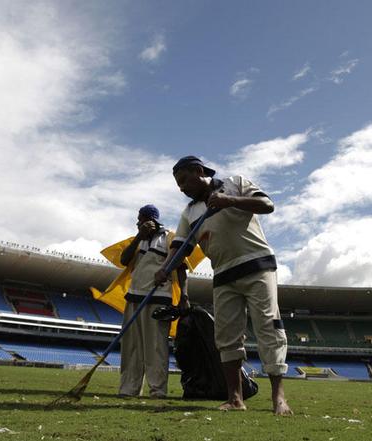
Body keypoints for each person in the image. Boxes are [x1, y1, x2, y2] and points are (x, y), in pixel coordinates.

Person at [155, 156, 292, 416]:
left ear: (199, 171)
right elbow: (180, 247)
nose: (181, 188)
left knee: (267, 325)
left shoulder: (234, 183)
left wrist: (229, 201)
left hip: (257, 265)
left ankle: (279, 398)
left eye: (184, 180)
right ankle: (235, 398)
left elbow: (267, 204)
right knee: (227, 336)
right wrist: (165, 269)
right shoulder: (189, 212)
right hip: (223, 274)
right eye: (178, 184)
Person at [118, 204, 188, 398]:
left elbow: (181, 269)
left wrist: (184, 296)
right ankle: (129, 389)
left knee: (156, 346)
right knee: (131, 346)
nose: (138, 223)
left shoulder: (169, 238)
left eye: (141, 219)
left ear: (152, 220)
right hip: (133, 297)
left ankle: (157, 390)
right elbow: (124, 260)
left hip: (158, 298)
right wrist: (139, 236)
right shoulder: (136, 240)